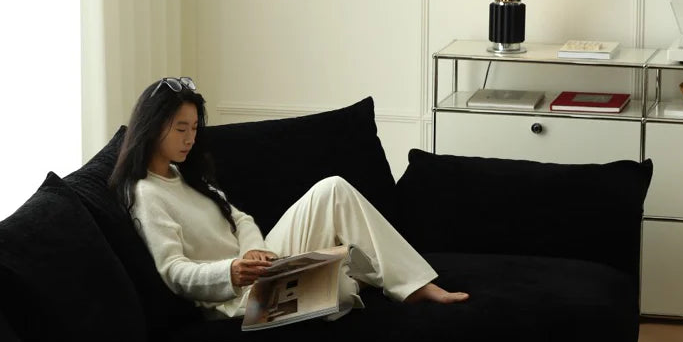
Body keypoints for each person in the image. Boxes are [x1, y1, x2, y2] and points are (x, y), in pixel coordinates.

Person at [109, 77, 469, 319]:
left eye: (194, 129)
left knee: (333, 189)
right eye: (181, 129)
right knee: (342, 283)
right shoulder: (147, 193)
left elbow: (241, 220)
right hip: (240, 302)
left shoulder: (182, 175)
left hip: (262, 270)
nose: (190, 139)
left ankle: (414, 285)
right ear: (153, 127)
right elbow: (173, 271)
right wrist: (231, 272)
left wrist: (251, 251)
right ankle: (363, 274)